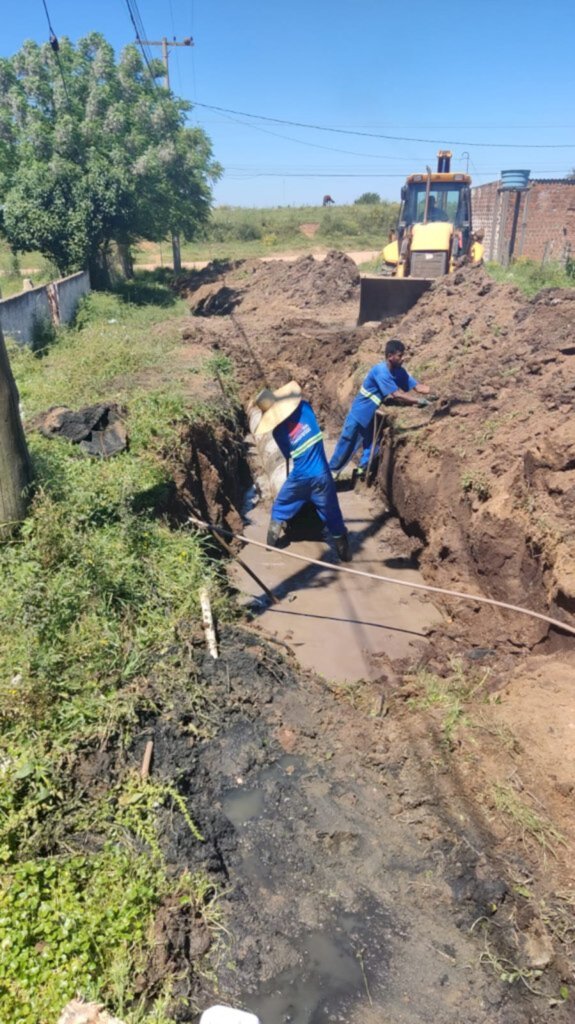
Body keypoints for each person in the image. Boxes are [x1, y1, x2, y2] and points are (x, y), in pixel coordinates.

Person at [253, 381, 351, 561]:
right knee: (333, 515)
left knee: (280, 507)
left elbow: (288, 454)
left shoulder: (278, 432)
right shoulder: (305, 408)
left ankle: (270, 545)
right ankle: (345, 555)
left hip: (299, 478)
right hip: (322, 475)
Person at [329, 339, 432, 479]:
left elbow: (418, 387)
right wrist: (418, 401)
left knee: (372, 446)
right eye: (400, 356)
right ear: (390, 356)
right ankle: (328, 476)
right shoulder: (381, 372)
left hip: (371, 415)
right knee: (346, 445)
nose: (403, 359)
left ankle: (361, 473)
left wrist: (437, 393)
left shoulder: (399, 372)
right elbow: (397, 395)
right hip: (358, 415)